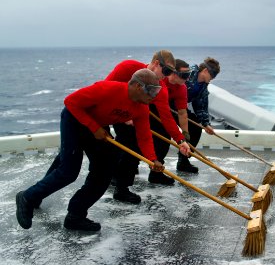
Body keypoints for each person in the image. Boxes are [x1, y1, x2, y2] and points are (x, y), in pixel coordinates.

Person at [15, 69, 164, 231]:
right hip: (74, 119)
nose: (154, 95)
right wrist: (94, 128)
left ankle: (75, 215)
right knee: (68, 171)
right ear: (137, 86)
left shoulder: (142, 107)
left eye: (157, 91)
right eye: (151, 90)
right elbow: (70, 102)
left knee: (104, 171)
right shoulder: (107, 89)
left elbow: (144, 136)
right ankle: (27, 197)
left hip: (97, 127)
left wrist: (152, 159)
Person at [105, 50, 190, 201]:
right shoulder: (127, 67)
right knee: (124, 145)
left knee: (133, 146)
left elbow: (167, 117)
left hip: (132, 116)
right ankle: (112, 176)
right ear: (157, 63)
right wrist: (121, 115)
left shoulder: (160, 88)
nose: (167, 75)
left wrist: (181, 140)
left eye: (171, 72)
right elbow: (105, 88)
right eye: (167, 71)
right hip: (109, 110)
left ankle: (121, 188)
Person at [149, 59, 193, 173]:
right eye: (184, 75)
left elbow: (182, 112)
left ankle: (156, 172)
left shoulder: (182, 88)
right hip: (148, 107)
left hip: (163, 109)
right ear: (173, 73)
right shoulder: (160, 80)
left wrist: (184, 135)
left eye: (189, 75)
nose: (187, 78)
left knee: (165, 139)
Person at [177, 57, 220, 172]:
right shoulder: (187, 74)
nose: (212, 79)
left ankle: (183, 161)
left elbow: (201, 106)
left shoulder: (203, 87)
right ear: (205, 71)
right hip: (169, 106)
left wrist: (206, 124)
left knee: (196, 128)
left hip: (181, 110)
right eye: (212, 76)